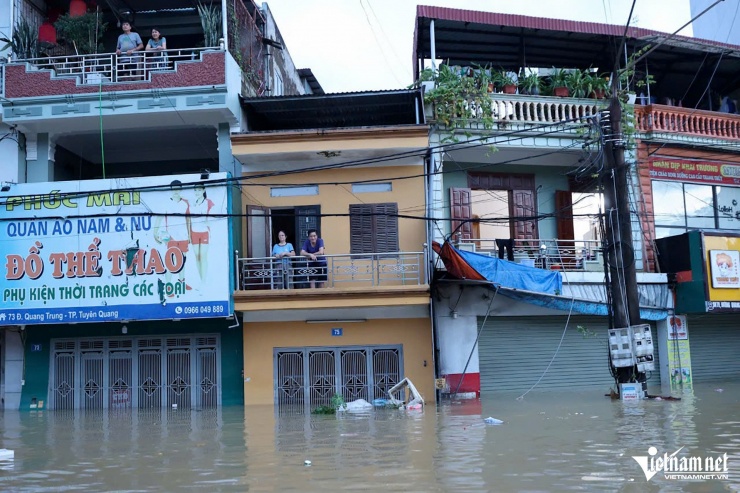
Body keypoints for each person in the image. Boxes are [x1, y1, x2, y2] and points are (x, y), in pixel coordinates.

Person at [153, 180, 191, 296]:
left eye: (178, 188)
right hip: (171, 237)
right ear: (171, 190)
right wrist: (155, 233)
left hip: (183, 236)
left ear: (180, 189)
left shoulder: (185, 204)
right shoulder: (166, 203)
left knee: (183, 261)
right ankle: (168, 287)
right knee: (172, 262)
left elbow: (188, 220)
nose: (176, 191)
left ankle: (182, 283)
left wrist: (189, 235)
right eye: (173, 189)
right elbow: (159, 218)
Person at [189, 184, 214, 290]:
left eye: (199, 190)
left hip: (204, 232)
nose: (197, 192)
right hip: (194, 231)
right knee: (197, 256)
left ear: (203, 190)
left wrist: (208, 222)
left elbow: (214, 216)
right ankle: (201, 280)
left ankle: (204, 281)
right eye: (196, 190)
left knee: (203, 256)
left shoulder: (208, 202)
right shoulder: (192, 203)